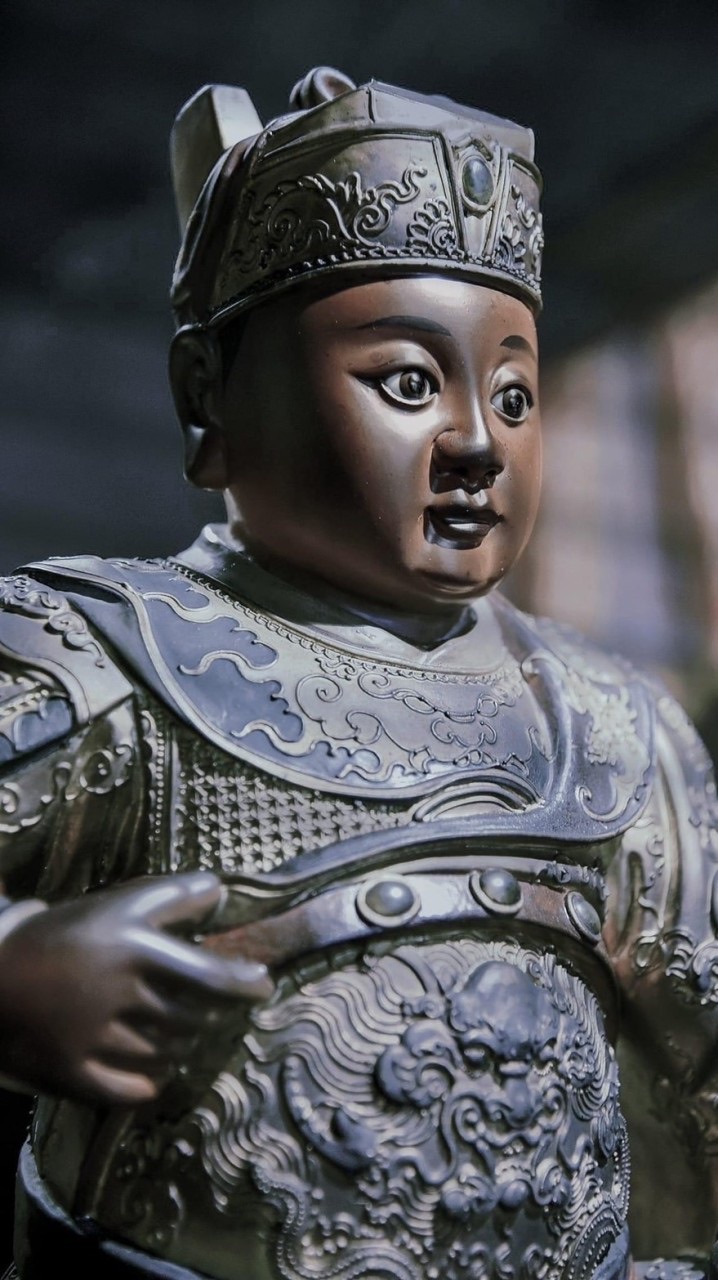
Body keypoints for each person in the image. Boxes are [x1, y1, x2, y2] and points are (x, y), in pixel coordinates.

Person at [1, 66, 717, 1280]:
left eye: (513, 393)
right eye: (407, 382)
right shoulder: (96, 649)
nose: (477, 441)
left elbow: (690, 1076)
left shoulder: (610, 723)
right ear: (206, 394)